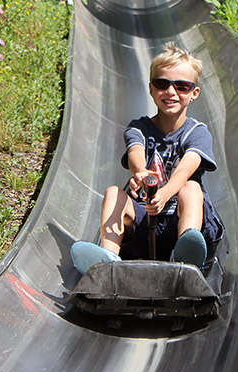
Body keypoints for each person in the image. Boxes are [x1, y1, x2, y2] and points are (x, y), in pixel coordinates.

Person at [71, 42, 223, 274]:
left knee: (191, 188)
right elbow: (135, 151)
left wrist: (163, 193)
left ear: (194, 93)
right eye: (163, 84)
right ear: (151, 89)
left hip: (178, 221)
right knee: (114, 193)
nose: (171, 92)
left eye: (182, 86)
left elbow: (185, 169)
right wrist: (140, 172)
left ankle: (187, 252)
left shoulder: (197, 133)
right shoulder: (139, 128)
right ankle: (108, 261)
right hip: (143, 222)